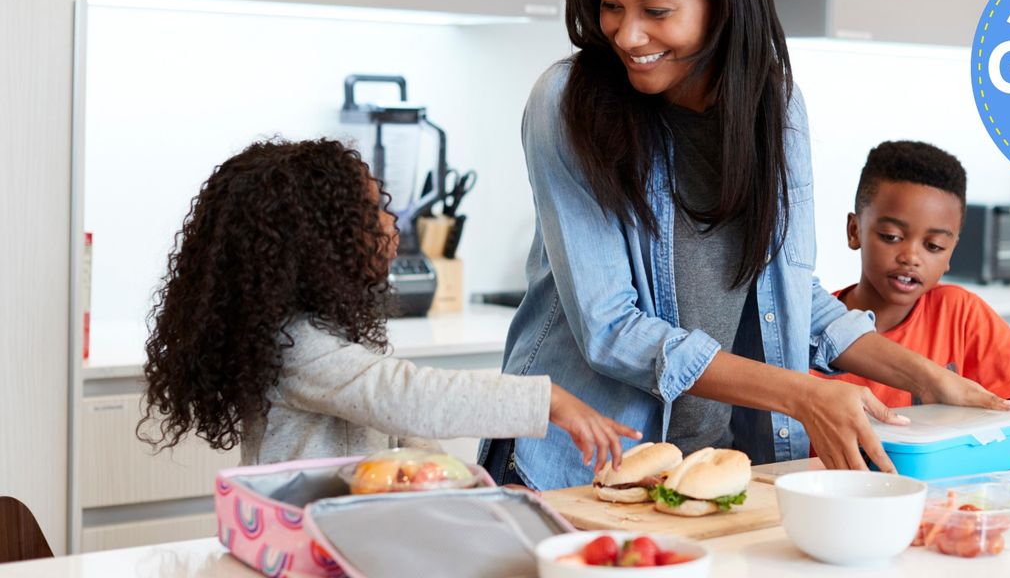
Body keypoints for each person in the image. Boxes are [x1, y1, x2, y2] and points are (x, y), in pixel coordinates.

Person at [481, 0, 1010, 491]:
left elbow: (789, 292)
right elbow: (611, 331)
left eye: (657, 11)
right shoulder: (566, 102)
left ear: (724, 0)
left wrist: (927, 377)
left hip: (711, 469)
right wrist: (799, 395)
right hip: (575, 466)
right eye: (609, 6)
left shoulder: (774, 108)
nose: (627, 35)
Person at [138, 138, 639, 468]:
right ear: (320, 240)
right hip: (302, 547)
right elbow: (404, 398)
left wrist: (461, 482)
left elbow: (392, 425)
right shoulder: (295, 347)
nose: (392, 220)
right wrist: (546, 398)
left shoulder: (321, 331)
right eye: (374, 208)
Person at [815, 140, 1010, 433]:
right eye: (891, 236)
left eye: (934, 245)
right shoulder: (811, 332)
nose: (911, 257)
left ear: (951, 252)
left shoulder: (960, 314)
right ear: (855, 231)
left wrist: (949, 431)